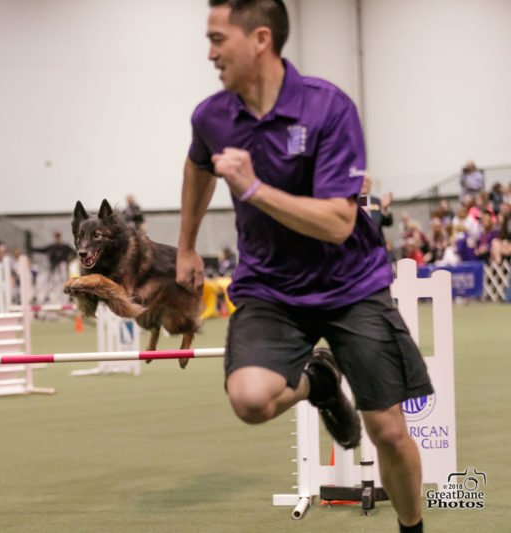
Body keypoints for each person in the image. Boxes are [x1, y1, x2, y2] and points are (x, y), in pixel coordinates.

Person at [175, 3, 432, 532]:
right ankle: (318, 381)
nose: (210, 53)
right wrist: (186, 246)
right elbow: (199, 162)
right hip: (271, 288)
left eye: (218, 39)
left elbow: (339, 221)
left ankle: (413, 528)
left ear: (260, 39)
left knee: (387, 431)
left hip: (351, 285)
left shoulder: (329, 109)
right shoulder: (212, 115)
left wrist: (253, 190)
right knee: (249, 400)